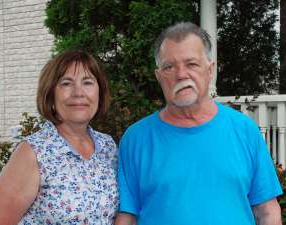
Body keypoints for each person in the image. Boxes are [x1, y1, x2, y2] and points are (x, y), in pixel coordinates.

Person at [115, 22, 283, 225]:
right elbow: (127, 217)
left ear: (210, 69)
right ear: (159, 77)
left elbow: (266, 212)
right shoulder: (136, 139)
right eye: (169, 67)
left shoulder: (244, 130)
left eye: (191, 64)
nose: (181, 74)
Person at [0, 50, 118, 225]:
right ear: (51, 93)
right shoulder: (33, 152)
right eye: (66, 83)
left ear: (99, 92)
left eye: (87, 82)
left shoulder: (107, 147)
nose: (78, 93)